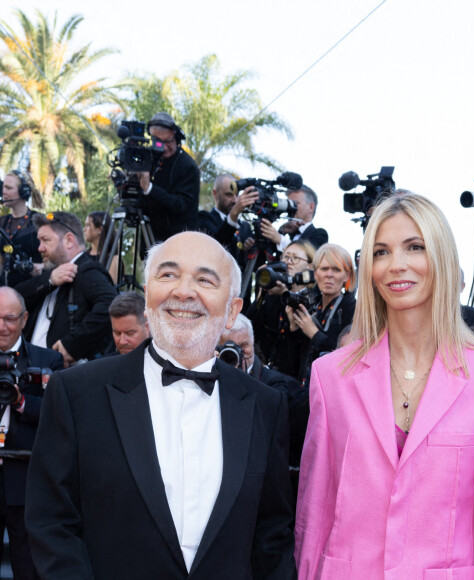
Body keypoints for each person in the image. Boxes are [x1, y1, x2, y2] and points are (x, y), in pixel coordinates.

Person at [25, 231, 296, 580]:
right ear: (148, 297)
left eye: (204, 279)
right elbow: (51, 522)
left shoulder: (265, 406)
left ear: (232, 311)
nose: (183, 291)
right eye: (168, 275)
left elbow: (272, 535)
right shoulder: (76, 392)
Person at [295, 193, 474, 579]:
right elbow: (314, 515)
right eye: (381, 252)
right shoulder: (331, 376)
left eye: (414, 247)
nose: (396, 265)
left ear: (440, 256)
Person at [0, 287, 63, 580]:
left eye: (10, 318)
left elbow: (56, 417)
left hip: (24, 479)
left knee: (27, 565)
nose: (2, 326)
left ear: (25, 319)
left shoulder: (47, 360)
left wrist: (20, 401)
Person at [16, 212, 117, 366]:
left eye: (46, 240)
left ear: (69, 240)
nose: (40, 248)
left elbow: (111, 304)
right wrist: (49, 280)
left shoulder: (87, 271)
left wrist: (73, 344)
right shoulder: (51, 274)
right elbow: (17, 297)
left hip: (65, 377)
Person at [285, 243, 356, 387]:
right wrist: (293, 328)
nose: (329, 274)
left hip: (333, 389)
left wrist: (314, 334)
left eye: (336, 269)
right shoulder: (311, 305)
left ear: (346, 276)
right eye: (324, 269)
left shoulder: (352, 308)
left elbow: (347, 357)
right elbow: (291, 363)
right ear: (316, 274)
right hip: (303, 389)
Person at [246, 240, 317, 374]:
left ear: (310, 267)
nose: (288, 261)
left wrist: (287, 295)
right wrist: (260, 297)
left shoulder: (314, 300)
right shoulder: (272, 295)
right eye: (285, 256)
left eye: (295, 258)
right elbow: (249, 326)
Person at [139, 112, 200, 241]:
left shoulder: (186, 166)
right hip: (150, 241)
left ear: (176, 139)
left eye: (168, 141)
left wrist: (149, 188)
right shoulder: (150, 158)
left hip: (176, 242)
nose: (164, 147)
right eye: (157, 142)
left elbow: (180, 205)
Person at [218, 313, 298, 398]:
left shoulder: (273, 383)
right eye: (232, 347)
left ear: (253, 340)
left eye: (244, 345)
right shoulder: (213, 378)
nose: (239, 353)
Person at [196, 173, 257, 260]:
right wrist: (234, 214)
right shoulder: (204, 218)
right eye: (229, 195)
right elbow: (216, 247)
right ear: (215, 194)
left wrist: (249, 248)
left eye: (236, 195)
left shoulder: (245, 227)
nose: (234, 200)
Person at [0, 170, 44, 287]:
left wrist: (43, 267)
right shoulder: (2, 222)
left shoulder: (39, 220)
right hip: (5, 292)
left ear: (23, 192)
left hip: (32, 290)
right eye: (3, 187)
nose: (4, 192)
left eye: (9, 188)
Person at [260, 186, 328, 252]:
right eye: (288, 203)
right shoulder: (287, 234)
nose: (291, 208)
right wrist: (281, 231)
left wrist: (280, 239)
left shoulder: (320, 234)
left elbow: (308, 255)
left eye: (295, 204)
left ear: (311, 207)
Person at [83, 211, 120, 283]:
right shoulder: (83, 256)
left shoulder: (113, 259)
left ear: (99, 229)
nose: (84, 229)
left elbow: (111, 289)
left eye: (87, 225)